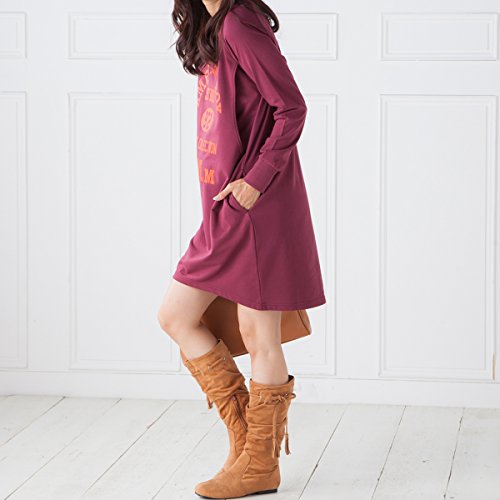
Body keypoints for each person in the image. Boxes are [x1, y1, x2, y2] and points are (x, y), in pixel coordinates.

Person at [157, 0, 326, 497]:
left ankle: (258, 465)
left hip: (257, 205)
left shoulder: (239, 22)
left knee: (259, 334)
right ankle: (247, 443)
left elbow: (292, 107)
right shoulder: (211, 26)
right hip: (225, 208)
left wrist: (255, 181)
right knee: (176, 316)